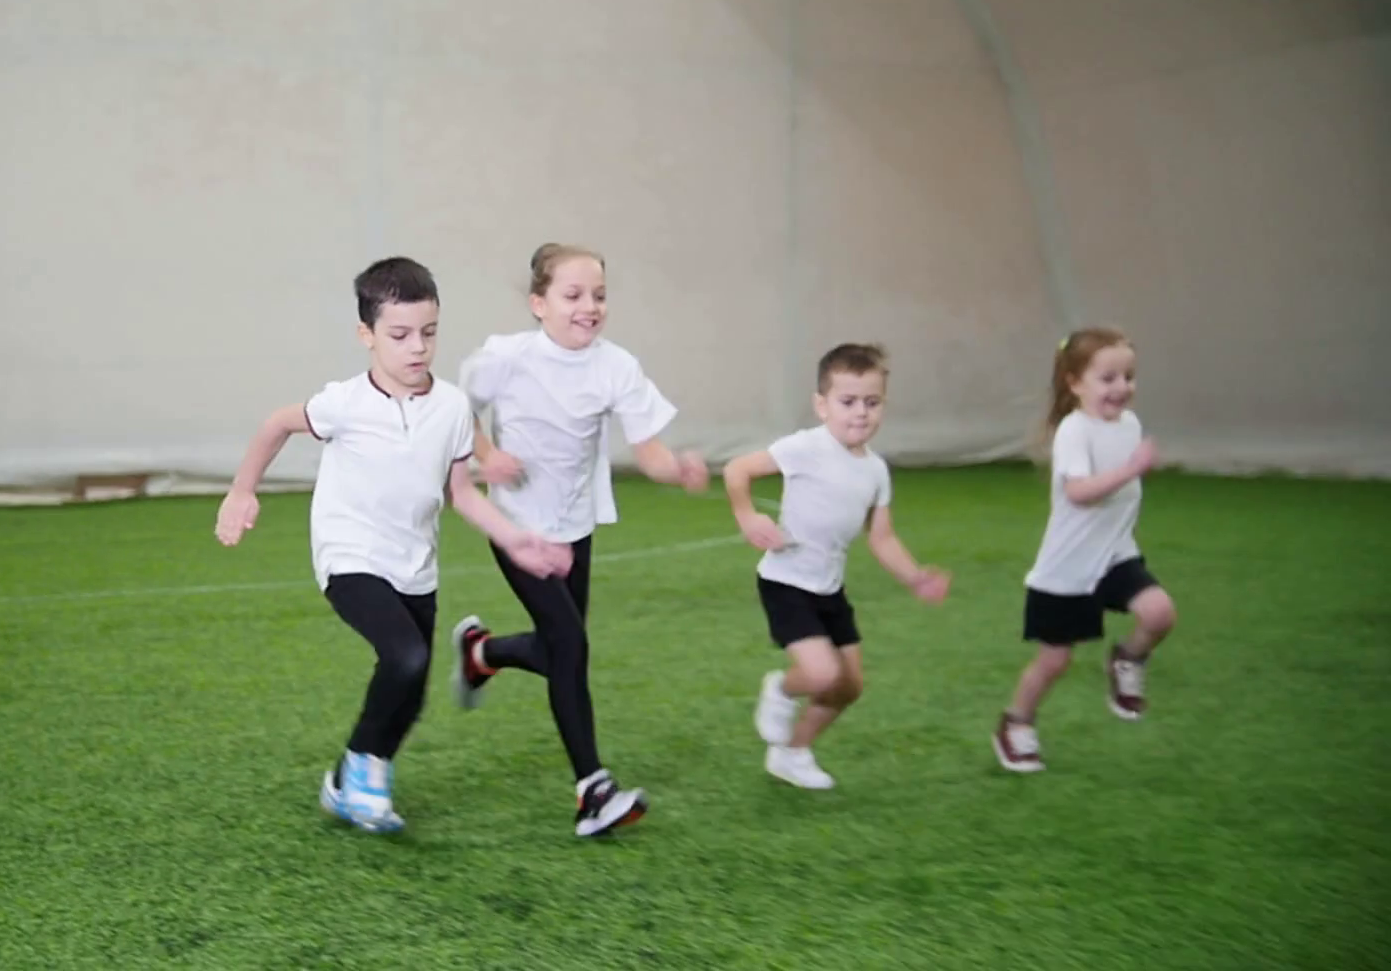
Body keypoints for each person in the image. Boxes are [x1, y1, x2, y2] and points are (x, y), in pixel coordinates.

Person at [215, 256, 573, 835]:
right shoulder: (344, 403)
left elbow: (461, 492)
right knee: (404, 658)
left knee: (412, 689)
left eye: (429, 333)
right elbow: (278, 423)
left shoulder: (453, 407)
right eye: (400, 335)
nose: (418, 348)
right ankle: (363, 771)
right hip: (349, 556)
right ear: (367, 336)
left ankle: (348, 780)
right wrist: (241, 491)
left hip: (416, 567)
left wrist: (518, 541)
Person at [448, 243, 707, 836]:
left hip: (576, 531)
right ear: (539, 304)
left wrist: (676, 469)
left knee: (560, 648)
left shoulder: (616, 366)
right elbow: (458, 411)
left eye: (598, 295)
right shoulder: (506, 358)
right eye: (572, 295)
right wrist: (489, 456)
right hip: (517, 530)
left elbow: (649, 448)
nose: (588, 307)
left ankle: (481, 654)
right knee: (570, 646)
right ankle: (593, 789)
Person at [723, 342, 949, 791]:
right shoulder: (806, 447)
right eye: (848, 402)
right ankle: (782, 689)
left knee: (848, 687)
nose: (861, 413)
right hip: (786, 582)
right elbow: (736, 470)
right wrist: (748, 516)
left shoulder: (877, 471)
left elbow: (881, 537)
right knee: (822, 674)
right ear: (822, 405)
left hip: (830, 589)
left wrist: (915, 576)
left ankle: (793, 753)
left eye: (872, 402)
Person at [993, 327, 1175, 774]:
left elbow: (1121, 481)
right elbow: (1079, 492)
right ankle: (1016, 723)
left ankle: (1127, 660)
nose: (1121, 388)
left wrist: (1137, 469)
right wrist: (1132, 468)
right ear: (1075, 382)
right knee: (1055, 660)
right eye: (1108, 378)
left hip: (1115, 555)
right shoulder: (1074, 431)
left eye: (1128, 376)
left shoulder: (1129, 424)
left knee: (1159, 614)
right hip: (1068, 569)